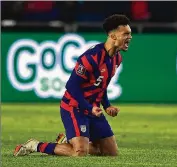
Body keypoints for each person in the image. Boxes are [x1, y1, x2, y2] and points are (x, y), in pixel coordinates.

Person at [14, 14, 132, 157]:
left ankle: (68, 142)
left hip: (94, 110)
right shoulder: (91, 57)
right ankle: (35, 145)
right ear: (113, 36)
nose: (130, 37)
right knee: (80, 153)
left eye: (130, 34)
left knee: (110, 153)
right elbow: (72, 86)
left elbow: (101, 86)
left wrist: (107, 106)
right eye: (126, 34)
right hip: (74, 107)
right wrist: (89, 107)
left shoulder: (117, 59)